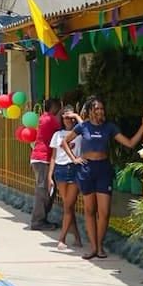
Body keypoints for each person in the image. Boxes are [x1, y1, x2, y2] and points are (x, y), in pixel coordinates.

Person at [61, 97, 143, 260]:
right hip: (86, 169)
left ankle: (100, 246)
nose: (101, 111)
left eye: (102, 108)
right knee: (89, 210)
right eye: (97, 108)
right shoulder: (83, 126)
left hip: (103, 169)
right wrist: (74, 158)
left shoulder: (109, 127)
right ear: (91, 111)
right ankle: (93, 247)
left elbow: (129, 143)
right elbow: (65, 141)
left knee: (104, 212)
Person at [47, 106, 85, 251]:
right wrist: (49, 176)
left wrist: (76, 116)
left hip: (75, 169)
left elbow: (85, 128)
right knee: (68, 206)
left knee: (68, 206)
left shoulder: (79, 132)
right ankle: (77, 237)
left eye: (70, 117)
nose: (68, 120)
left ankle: (62, 238)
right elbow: (54, 156)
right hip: (61, 169)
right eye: (65, 117)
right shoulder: (57, 134)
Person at [28, 98, 63, 231]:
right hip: (43, 159)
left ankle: (42, 219)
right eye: (59, 107)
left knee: (48, 190)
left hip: (39, 158)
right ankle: (38, 221)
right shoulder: (51, 119)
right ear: (54, 107)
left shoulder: (43, 117)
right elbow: (62, 129)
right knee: (43, 191)